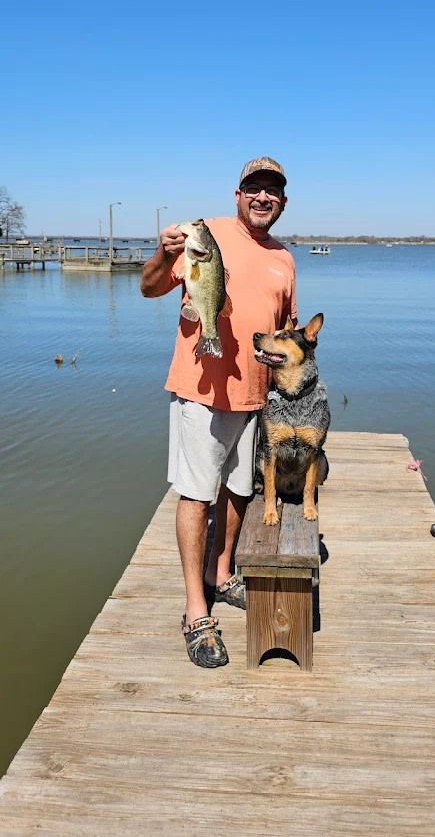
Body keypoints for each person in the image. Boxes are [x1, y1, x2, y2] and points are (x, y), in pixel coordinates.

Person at [141, 157, 297, 668]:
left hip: (255, 395)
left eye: (272, 192)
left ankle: (221, 571)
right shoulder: (202, 237)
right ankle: (194, 609)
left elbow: (286, 329)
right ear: (237, 194)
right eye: (254, 189)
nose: (262, 198)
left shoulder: (285, 260)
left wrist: (290, 380)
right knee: (196, 492)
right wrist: (165, 255)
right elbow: (149, 287)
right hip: (201, 391)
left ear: (283, 203)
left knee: (237, 490)